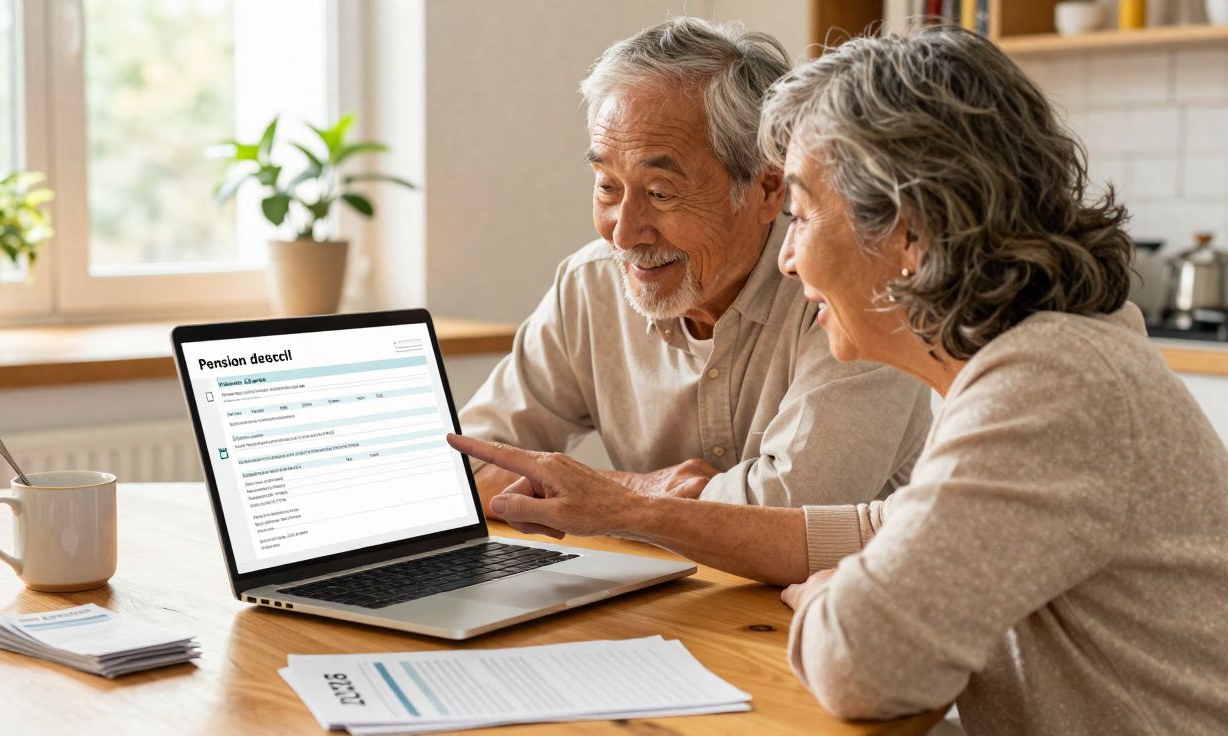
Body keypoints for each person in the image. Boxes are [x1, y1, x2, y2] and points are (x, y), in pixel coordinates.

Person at [449, 25, 1228, 734]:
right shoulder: (1039, 359)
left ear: (909, 235)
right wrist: (642, 506)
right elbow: (886, 531)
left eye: (802, 214)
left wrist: (829, 593)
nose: (787, 257)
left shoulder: (1047, 387)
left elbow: (864, 662)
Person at [461, 17, 931, 519]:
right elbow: (467, 463)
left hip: (819, 593)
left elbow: (792, 512)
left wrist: (603, 500)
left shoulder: (845, 287)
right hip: (662, 592)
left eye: (661, 193)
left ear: (768, 188)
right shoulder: (590, 285)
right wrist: (636, 488)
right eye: (607, 187)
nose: (623, 235)